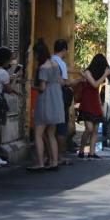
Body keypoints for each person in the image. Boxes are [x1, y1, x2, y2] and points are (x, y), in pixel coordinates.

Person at [31, 39, 64, 171]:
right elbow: (61, 81)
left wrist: (31, 85)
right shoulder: (55, 64)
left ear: (38, 54)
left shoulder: (43, 68)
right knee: (51, 134)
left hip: (46, 101)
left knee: (38, 134)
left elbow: (42, 88)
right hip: (56, 99)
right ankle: (54, 162)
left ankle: (40, 163)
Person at [75, 54, 110, 158]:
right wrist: (104, 75)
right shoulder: (87, 72)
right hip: (87, 102)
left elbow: (96, 89)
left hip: (95, 101)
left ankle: (92, 152)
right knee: (89, 128)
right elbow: (95, 85)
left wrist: (100, 105)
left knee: (95, 130)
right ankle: (81, 150)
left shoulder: (98, 74)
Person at [51, 39, 73, 162]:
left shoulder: (49, 60)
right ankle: (59, 156)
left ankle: (49, 156)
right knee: (61, 128)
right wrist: (73, 83)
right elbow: (64, 82)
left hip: (48, 97)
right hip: (59, 97)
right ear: (64, 50)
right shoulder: (61, 63)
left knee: (49, 130)